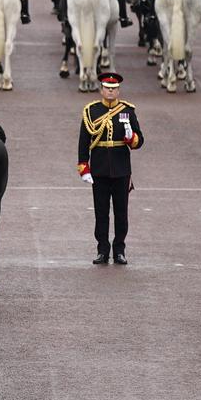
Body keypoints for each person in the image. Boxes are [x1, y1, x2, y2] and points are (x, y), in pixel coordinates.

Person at [76, 71, 143, 265]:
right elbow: (84, 141)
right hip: (99, 170)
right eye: (107, 88)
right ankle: (102, 250)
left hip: (121, 170)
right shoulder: (91, 111)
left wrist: (132, 137)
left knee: (121, 213)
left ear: (118, 90)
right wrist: (84, 167)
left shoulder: (128, 111)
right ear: (101, 89)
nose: (111, 92)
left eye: (114, 89)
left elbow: (140, 141)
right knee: (101, 212)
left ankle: (119, 250)